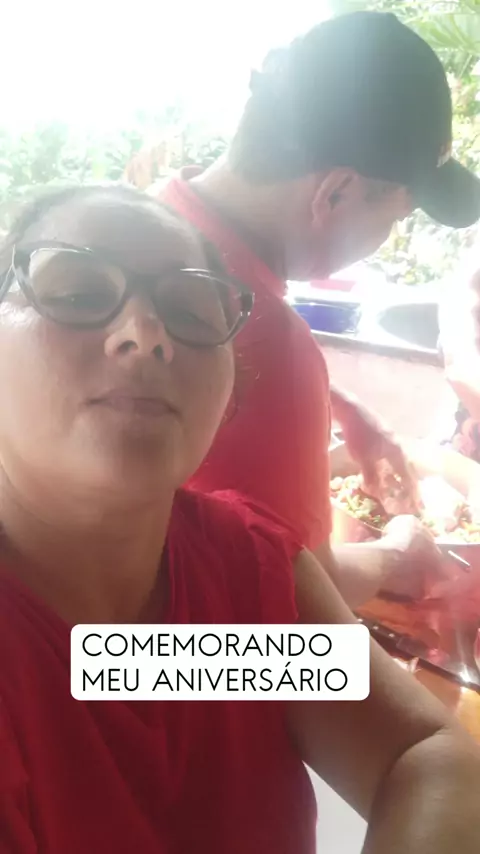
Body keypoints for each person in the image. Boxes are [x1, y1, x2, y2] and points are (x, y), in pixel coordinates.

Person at [0, 182, 479, 854]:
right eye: (77, 293)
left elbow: (421, 751)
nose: (146, 334)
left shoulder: (225, 597)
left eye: (190, 311)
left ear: (230, 392)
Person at [149, 11, 480, 606]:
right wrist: (401, 549)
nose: (386, 237)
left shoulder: (142, 218)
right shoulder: (267, 342)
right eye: (397, 217)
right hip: (146, 658)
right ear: (336, 192)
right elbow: (295, 603)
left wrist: (342, 406)